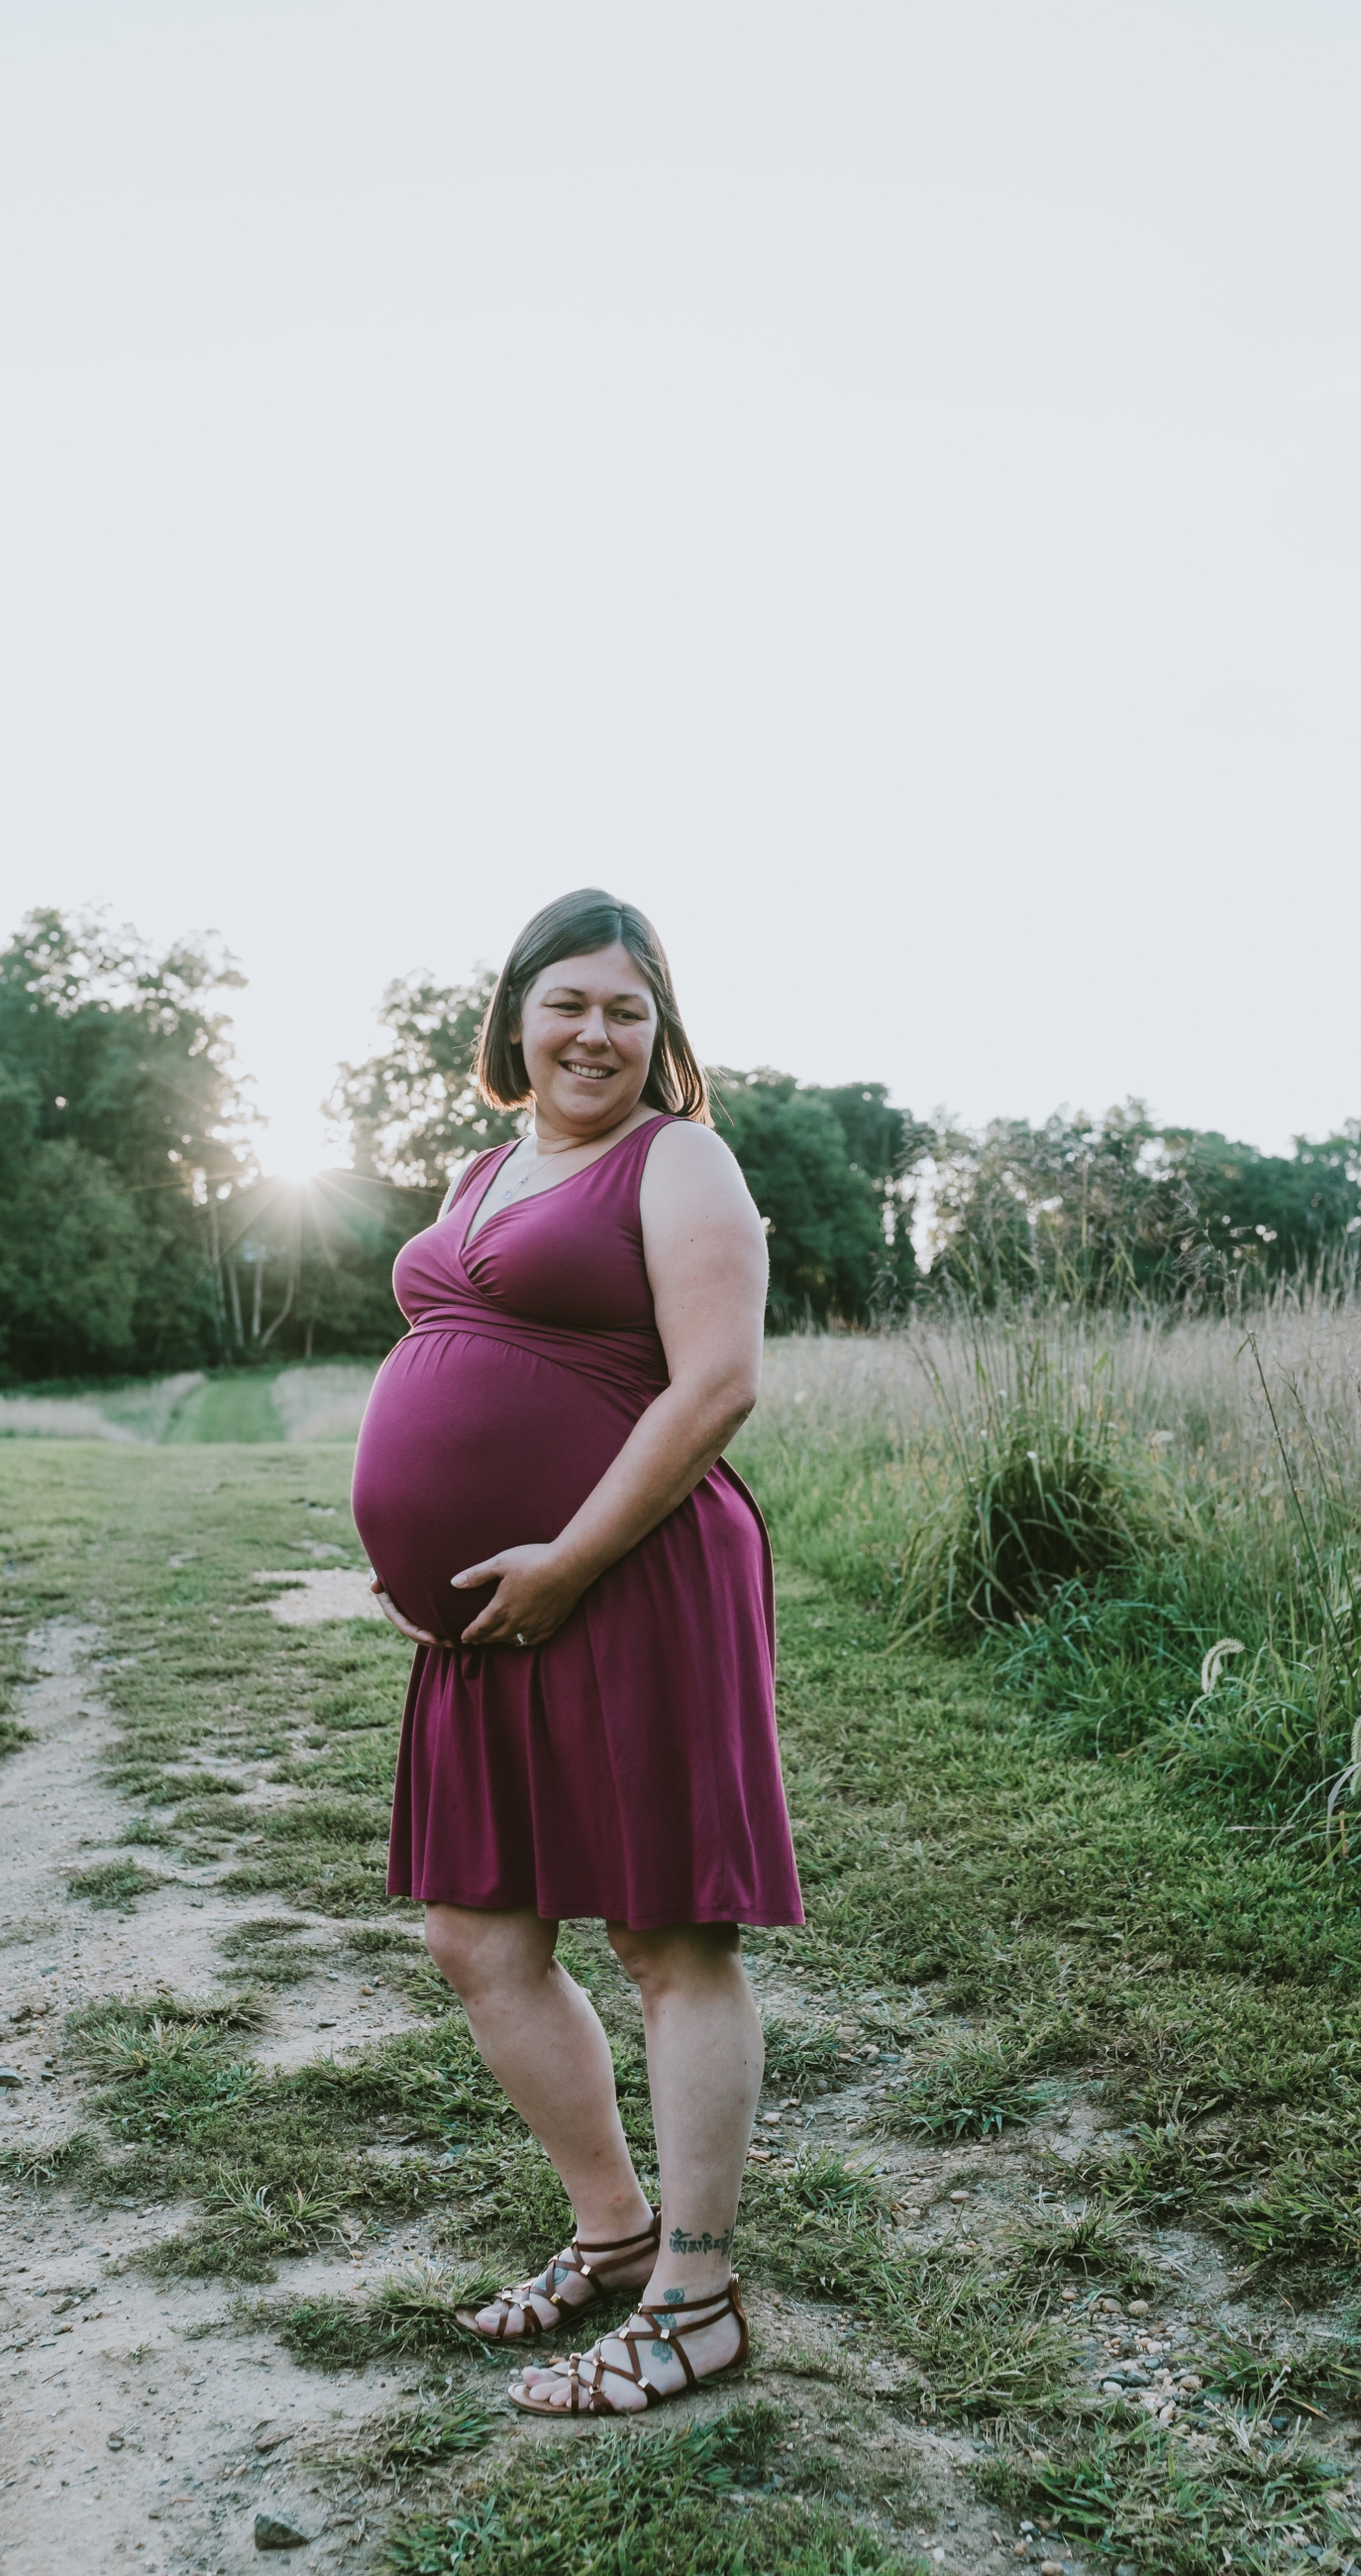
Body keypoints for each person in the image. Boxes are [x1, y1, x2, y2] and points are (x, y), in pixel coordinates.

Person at [350, 888, 801, 2415]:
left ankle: (697, 2290)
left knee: (670, 1940)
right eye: (569, 1003)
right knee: (478, 1936)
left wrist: (566, 1559)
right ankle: (611, 2238)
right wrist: (407, 1552)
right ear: (516, 1020)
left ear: (659, 1031)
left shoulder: (683, 1162)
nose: (596, 1032)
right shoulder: (486, 1170)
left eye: (627, 1007)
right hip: (495, 1609)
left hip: (638, 1575)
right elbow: (450, 1369)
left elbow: (718, 1383)